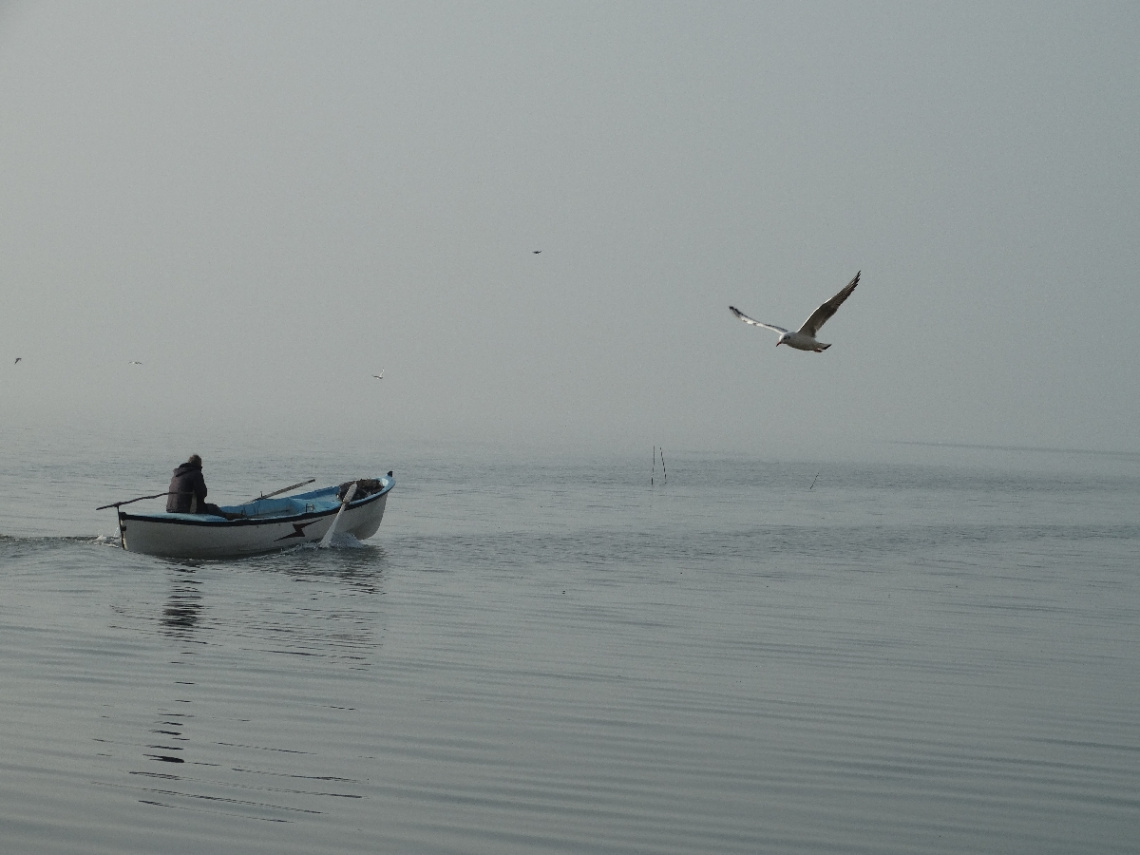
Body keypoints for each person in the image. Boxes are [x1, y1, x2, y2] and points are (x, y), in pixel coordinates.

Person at [166, 454, 234, 517]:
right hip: (187, 510)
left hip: (170, 509)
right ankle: (228, 520)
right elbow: (203, 493)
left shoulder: (175, 475)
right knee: (214, 508)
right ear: (199, 464)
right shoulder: (196, 473)